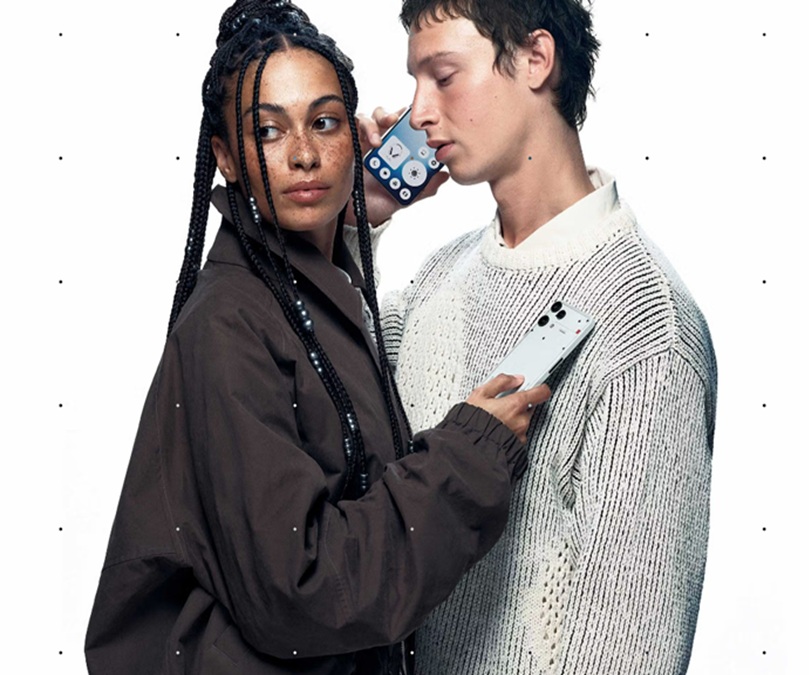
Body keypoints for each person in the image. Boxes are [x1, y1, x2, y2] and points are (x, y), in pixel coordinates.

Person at [83, 1, 551, 673]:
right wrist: (471, 454)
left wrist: (357, 212)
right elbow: (304, 592)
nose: (304, 155)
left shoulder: (296, 287)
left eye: (325, 123)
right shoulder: (228, 325)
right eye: (268, 131)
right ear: (226, 157)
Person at [351, 0, 718, 672]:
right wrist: (358, 214)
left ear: (535, 59)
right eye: (415, 82)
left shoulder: (648, 331)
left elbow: (633, 650)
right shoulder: (439, 277)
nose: (418, 112)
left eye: (443, 77)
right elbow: (311, 384)